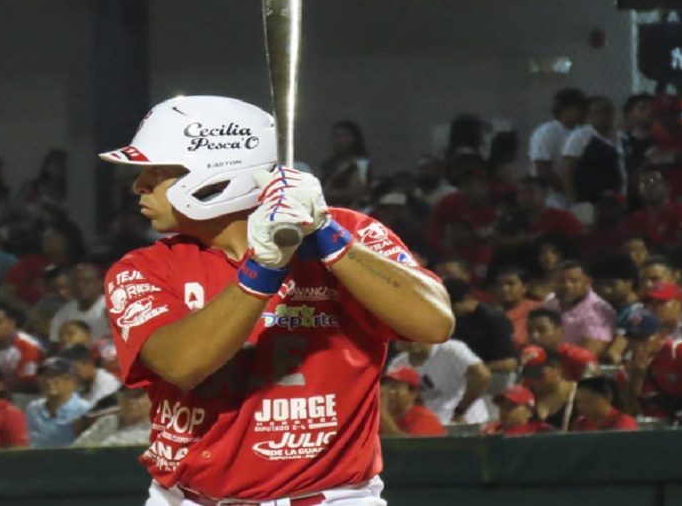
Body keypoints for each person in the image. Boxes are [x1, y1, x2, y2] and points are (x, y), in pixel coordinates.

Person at [99, 96, 453, 504]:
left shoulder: (348, 231)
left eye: (157, 171)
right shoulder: (144, 267)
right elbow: (183, 365)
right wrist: (263, 268)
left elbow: (434, 323)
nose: (139, 185)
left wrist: (326, 235)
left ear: (215, 173)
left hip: (332, 497)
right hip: (190, 499)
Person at [615, 307, 682, 419]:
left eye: (643, 337)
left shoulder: (677, 351)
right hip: (651, 424)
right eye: (633, 339)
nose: (638, 344)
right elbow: (631, 413)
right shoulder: (627, 368)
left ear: (659, 335)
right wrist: (638, 375)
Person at [389, 341, 490, 425]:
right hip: (432, 425)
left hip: (469, 420)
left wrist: (460, 412)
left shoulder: (451, 349)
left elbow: (482, 376)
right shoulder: (398, 364)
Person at [0, 221, 84, 314]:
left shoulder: (84, 268)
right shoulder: (32, 262)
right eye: (45, 239)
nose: (47, 243)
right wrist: (30, 311)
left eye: (53, 238)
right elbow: (5, 292)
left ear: (69, 241)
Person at [541, 260, 616, 358]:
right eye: (561, 281)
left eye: (574, 281)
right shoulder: (549, 302)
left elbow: (588, 354)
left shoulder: (600, 310)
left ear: (588, 282)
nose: (567, 285)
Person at [528, 88, 587, 206]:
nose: (584, 113)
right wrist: (568, 191)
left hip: (575, 196)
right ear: (565, 109)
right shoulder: (547, 131)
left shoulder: (581, 132)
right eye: (580, 108)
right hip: (551, 197)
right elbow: (543, 169)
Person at [445, 278, 517, 372]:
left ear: (467, 299)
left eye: (453, 308)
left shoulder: (494, 319)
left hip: (491, 375)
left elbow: (510, 362)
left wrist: (472, 370)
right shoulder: (451, 320)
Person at [562, 96, 623, 205]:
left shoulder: (622, 137)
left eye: (607, 110)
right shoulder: (580, 137)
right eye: (597, 112)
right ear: (589, 115)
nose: (603, 115)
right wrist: (572, 200)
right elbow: (567, 170)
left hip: (619, 197)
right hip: (590, 199)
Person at [26, 357, 90, 448]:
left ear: (72, 381)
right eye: (45, 376)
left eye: (55, 376)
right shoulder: (33, 409)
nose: (49, 381)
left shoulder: (85, 410)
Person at [624, 170, 682, 249]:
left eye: (654, 182)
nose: (648, 187)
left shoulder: (681, 213)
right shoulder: (636, 218)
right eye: (644, 183)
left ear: (667, 187)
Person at [590, 254, 639, 363]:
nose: (606, 290)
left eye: (611, 284)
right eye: (601, 285)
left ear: (629, 282)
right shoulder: (604, 310)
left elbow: (613, 355)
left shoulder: (636, 311)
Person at [526, 308, 598, 381]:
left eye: (541, 330)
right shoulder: (528, 358)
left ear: (560, 331)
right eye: (530, 331)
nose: (534, 336)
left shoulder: (579, 358)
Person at [520, 345, 579, 431]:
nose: (534, 381)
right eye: (529, 376)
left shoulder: (580, 395)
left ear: (558, 368)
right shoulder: (526, 399)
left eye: (538, 375)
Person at [48, 263, 109, 342]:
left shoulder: (114, 307)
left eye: (86, 281)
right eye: (75, 282)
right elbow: (55, 343)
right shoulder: (62, 314)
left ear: (99, 283)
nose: (80, 286)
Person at [378, 366, 445, 437]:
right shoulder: (378, 418)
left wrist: (384, 417)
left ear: (414, 393)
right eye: (385, 387)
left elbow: (410, 443)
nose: (388, 393)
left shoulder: (425, 418)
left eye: (394, 387)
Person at [74, 388, 152, 447]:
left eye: (137, 396)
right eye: (126, 395)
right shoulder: (108, 421)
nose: (130, 401)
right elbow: (77, 448)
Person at [319, 120, 372, 208]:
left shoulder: (361, 164)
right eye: (336, 136)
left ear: (354, 138)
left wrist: (330, 194)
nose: (339, 140)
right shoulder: (328, 165)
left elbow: (356, 191)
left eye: (344, 136)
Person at [515, 177, 584, 240]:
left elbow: (581, 241)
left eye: (531, 192)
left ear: (545, 194)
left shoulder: (562, 217)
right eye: (520, 192)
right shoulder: (513, 220)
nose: (525, 196)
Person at [620, 93, 657, 201]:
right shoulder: (621, 142)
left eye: (653, 109)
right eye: (642, 109)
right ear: (630, 113)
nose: (649, 112)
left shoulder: (661, 141)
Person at [493, 266, 540, 347]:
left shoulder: (537, 309)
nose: (504, 289)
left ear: (525, 287)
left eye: (510, 284)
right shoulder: (489, 313)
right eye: (500, 284)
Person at [571, 376, 637, 432]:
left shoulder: (624, 422)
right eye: (579, 402)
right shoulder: (579, 424)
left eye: (589, 401)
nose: (582, 407)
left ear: (608, 396)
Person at [482, 384, 552, 436]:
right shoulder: (491, 429)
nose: (504, 411)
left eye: (511, 406)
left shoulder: (540, 431)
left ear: (530, 411)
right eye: (502, 406)